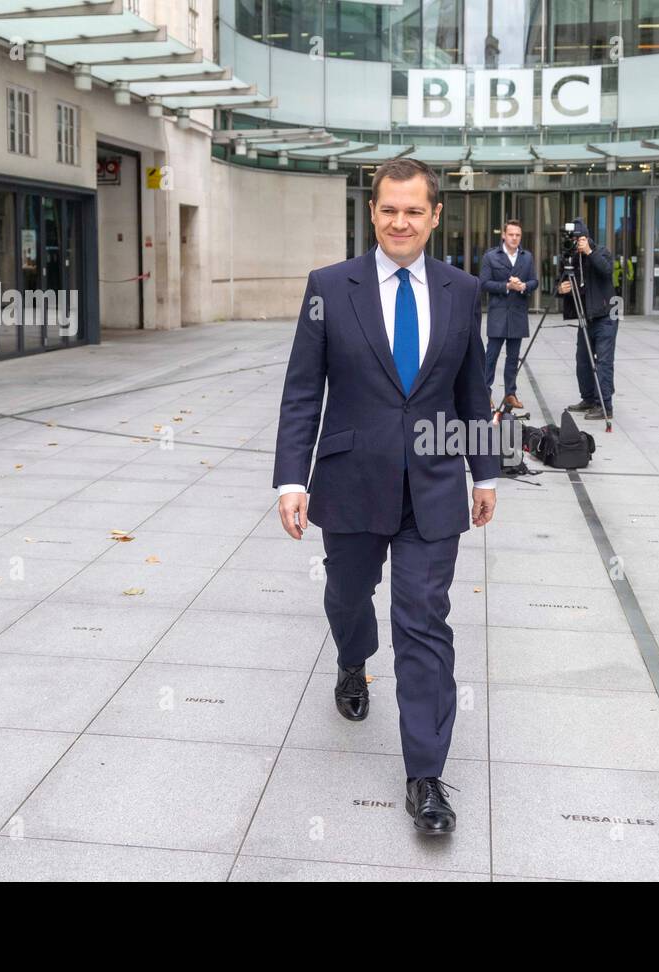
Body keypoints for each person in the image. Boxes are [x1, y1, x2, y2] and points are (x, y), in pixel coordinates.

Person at [273, 157, 500, 834]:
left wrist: (483, 473)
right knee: (347, 595)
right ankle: (351, 659)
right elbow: (302, 390)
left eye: (414, 210)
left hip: (432, 485)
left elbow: (471, 391)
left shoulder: (462, 290)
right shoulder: (329, 287)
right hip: (349, 480)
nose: (401, 221)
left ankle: (426, 777)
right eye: (388, 209)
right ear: (372, 213)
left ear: (435, 216)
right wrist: (292, 478)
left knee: (425, 621)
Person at [559, 218, 618, 420]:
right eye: (573, 240)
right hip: (586, 316)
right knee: (583, 361)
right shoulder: (572, 257)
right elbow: (564, 281)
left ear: (586, 238)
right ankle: (589, 399)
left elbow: (606, 270)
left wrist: (589, 252)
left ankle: (605, 405)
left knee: (603, 361)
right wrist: (561, 289)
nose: (576, 243)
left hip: (607, 314)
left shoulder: (601, 252)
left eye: (579, 239)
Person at [479, 218, 537, 410]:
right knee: (491, 356)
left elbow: (534, 281)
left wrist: (523, 286)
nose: (514, 238)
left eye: (517, 235)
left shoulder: (527, 257)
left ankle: (510, 393)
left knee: (513, 357)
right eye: (511, 234)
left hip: (518, 314)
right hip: (498, 313)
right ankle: (484, 393)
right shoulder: (491, 256)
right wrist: (506, 286)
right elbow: (484, 283)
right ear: (504, 235)